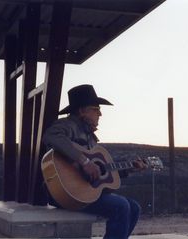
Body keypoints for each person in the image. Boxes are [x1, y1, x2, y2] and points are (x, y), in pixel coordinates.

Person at [43, 84, 147, 239]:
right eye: (96, 109)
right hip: (64, 193)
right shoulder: (67, 125)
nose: (100, 114)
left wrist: (130, 168)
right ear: (81, 111)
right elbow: (51, 136)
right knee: (121, 206)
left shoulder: (90, 137)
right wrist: (85, 162)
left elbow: (102, 171)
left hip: (83, 194)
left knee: (134, 207)